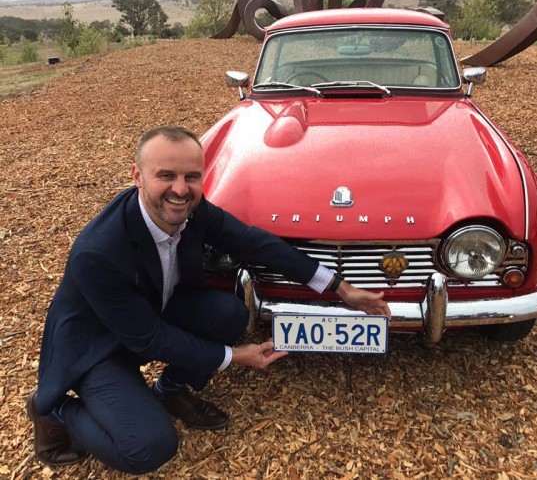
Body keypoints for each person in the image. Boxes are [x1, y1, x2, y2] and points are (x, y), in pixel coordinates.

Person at [27, 125, 391, 474]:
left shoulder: (193, 210)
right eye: (165, 176)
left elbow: (252, 242)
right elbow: (148, 339)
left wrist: (340, 287)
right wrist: (234, 357)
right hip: (98, 346)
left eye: (192, 177)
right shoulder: (98, 252)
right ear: (137, 176)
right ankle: (54, 409)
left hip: (151, 313)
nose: (181, 190)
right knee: (148, 447)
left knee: (228, 314)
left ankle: (168, 391)